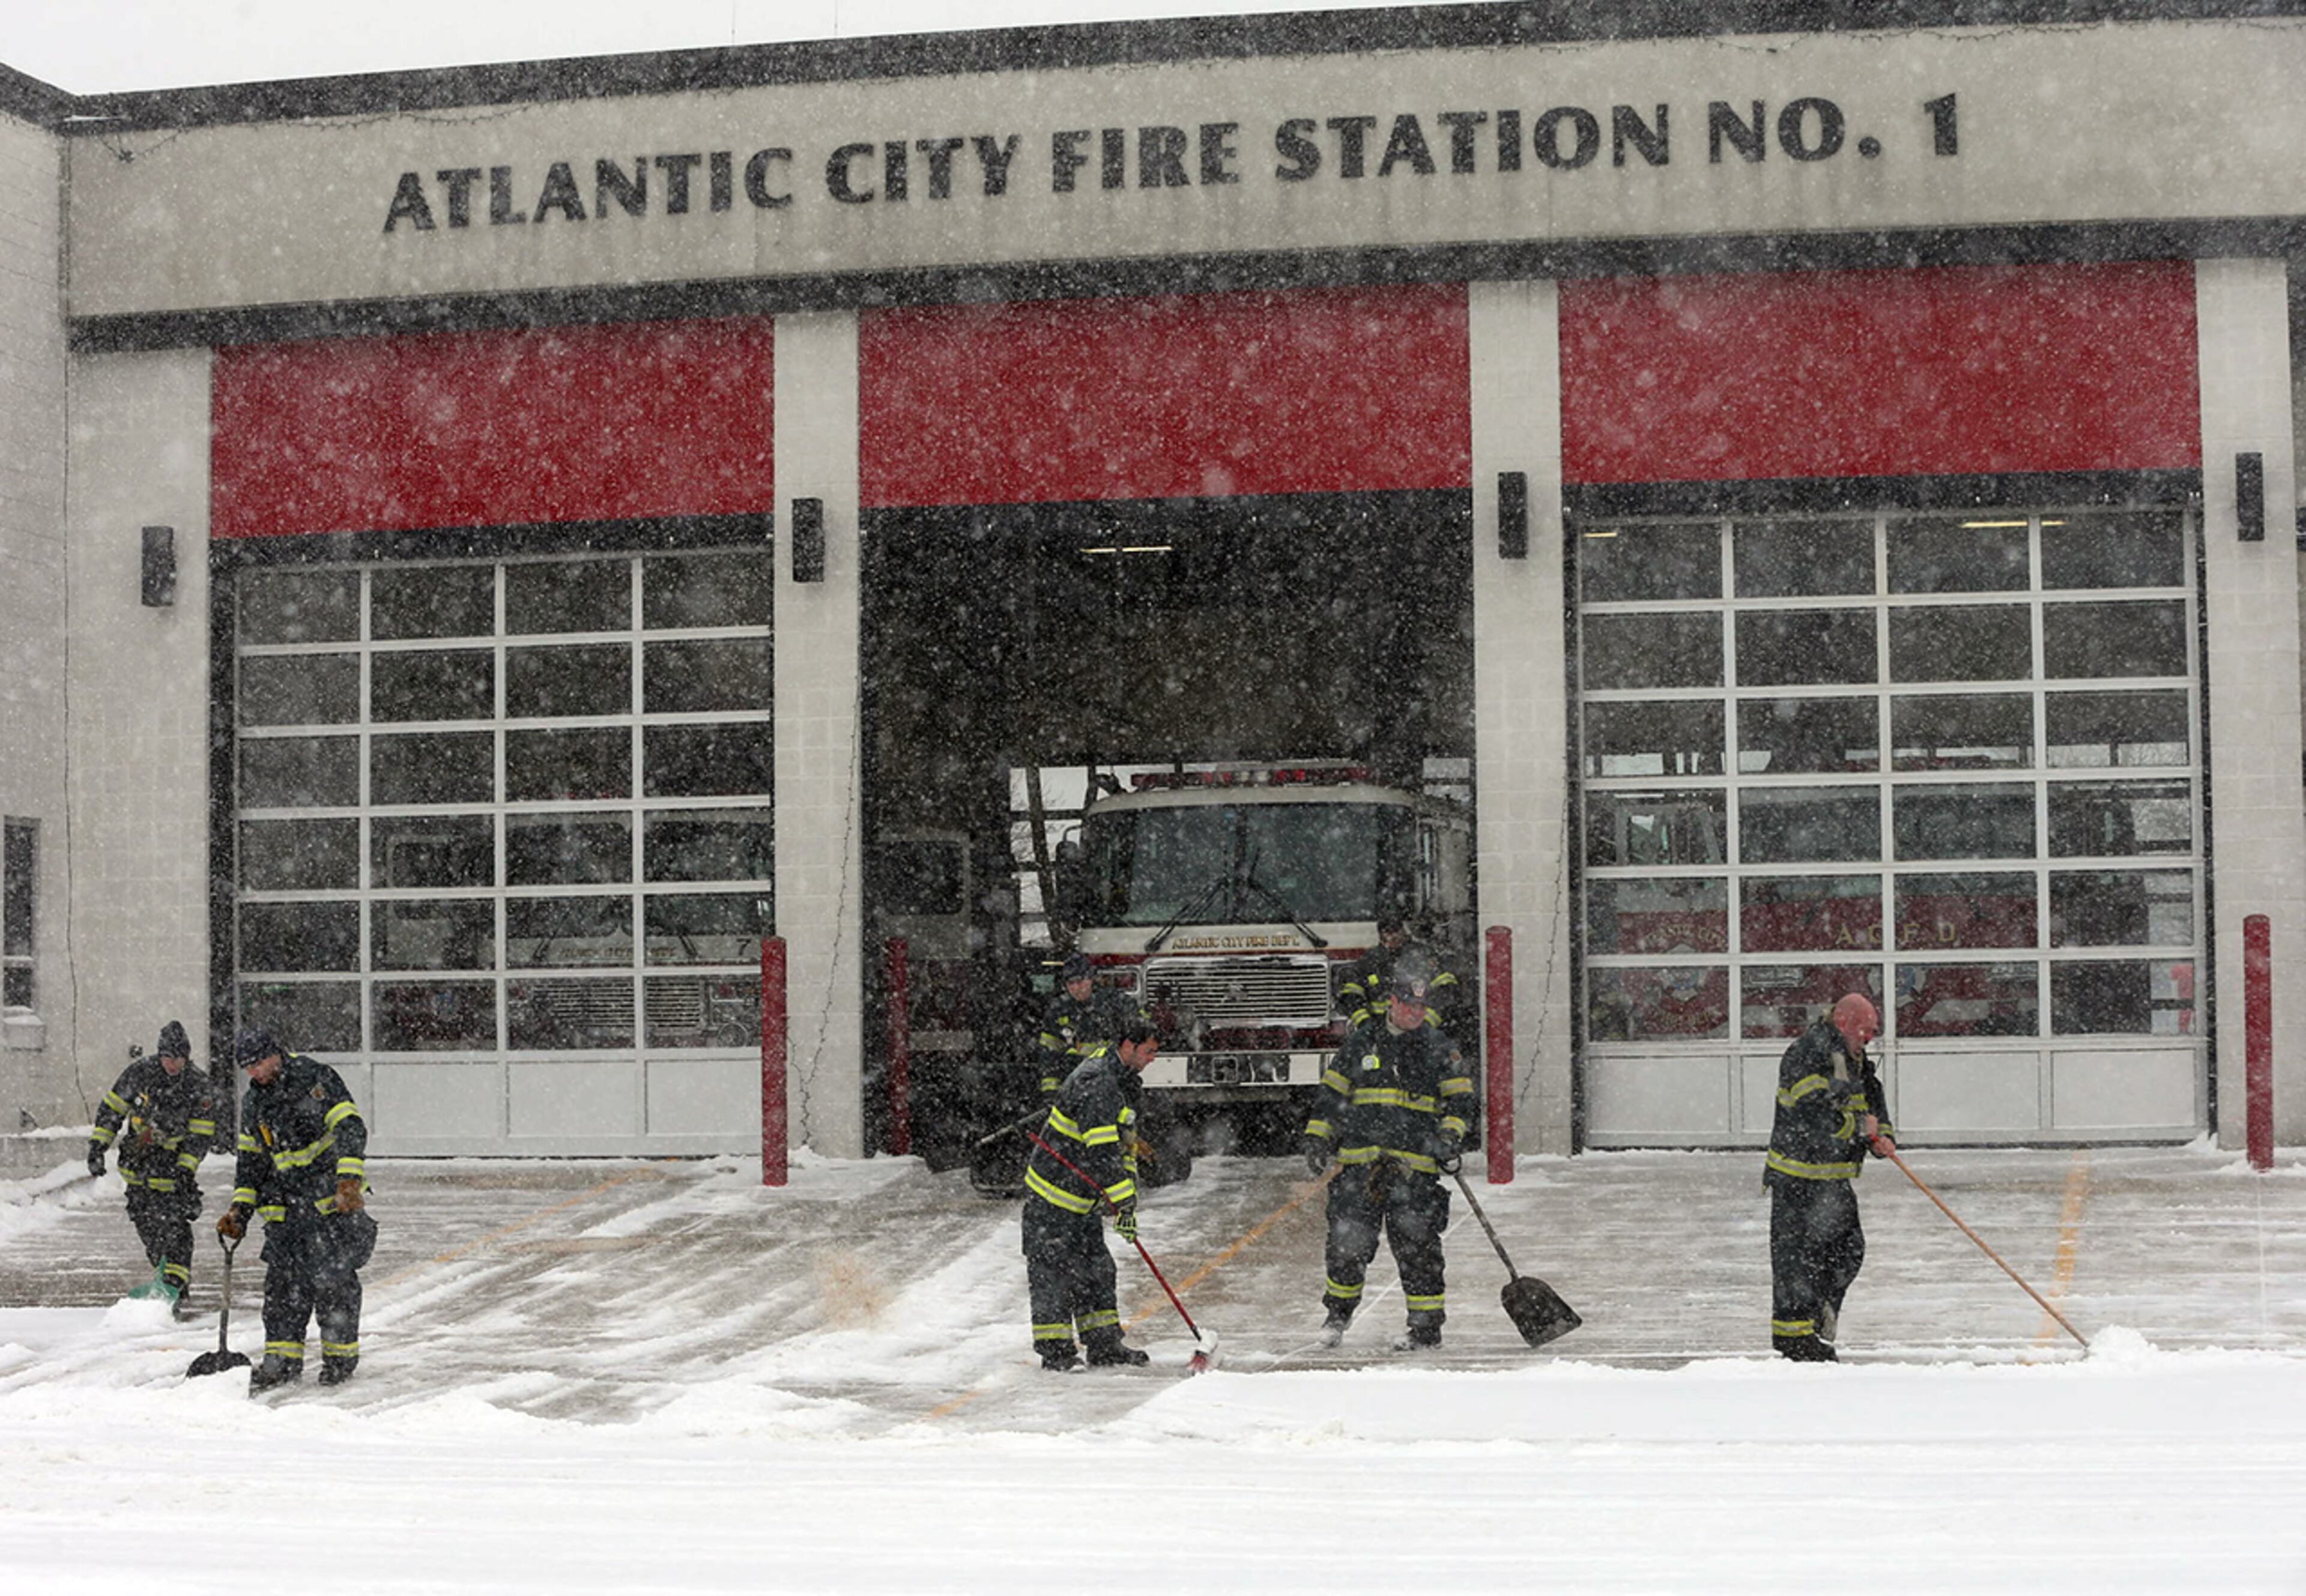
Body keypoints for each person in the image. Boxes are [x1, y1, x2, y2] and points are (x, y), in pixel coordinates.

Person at [1302, 949, 1475, 1351]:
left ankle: (1425, 1329)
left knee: (1419, 1251)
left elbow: (1462, 1102)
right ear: (1392, 1003)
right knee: (1347, 1246)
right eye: (1410, 1005)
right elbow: (1332, 1095)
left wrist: (1449, 1138)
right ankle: (1337, 1318)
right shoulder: (1361, 1043)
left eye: (1422, 1007)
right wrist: (1317, 1137)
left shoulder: (1438, 1048)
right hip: (1360, 1166)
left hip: (1414, 1169)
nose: (1417, 1013)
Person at [216, 1029, 376, 1392]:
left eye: (258, 1063)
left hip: (328, 1209)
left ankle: (339, 1360)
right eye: (247, 1068)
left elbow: (350, 1128)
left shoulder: (314, 1079)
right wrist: (241, 1209)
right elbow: (251, 1162)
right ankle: (282, 1363)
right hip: (283, 1214)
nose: (254, 1073)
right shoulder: (254, 1104)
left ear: (276, 1054)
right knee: (283, 1292)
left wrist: (348, 1181)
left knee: (334, 1286)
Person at [1021, 1015, 1161, 1371]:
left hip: (1081, 1199)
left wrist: (1127, 1201)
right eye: (1148, 1051)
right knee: (1053, 1273)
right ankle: (1057, 1353)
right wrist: (1122, 1204)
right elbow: (1100, 1153)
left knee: (1096, 1269)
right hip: (1052, 1196)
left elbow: (1124, 1148)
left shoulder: (1122, 1081)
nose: (1152, 1059)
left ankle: (1104, 1346)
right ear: (1128, 1046)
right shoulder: (1096, 1083)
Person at [1764, 992, 1896, 1362]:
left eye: (1872, 1033)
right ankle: (1796, 1342)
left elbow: (1871, 1097)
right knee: (1797, 1263)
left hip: (1833, 1179)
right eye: (1865, 1031)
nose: (1869, 1039)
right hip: (1798, 1179)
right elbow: (1812, 1116)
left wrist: (1882, 1135)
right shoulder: (1808, 1052)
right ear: (1843, 1023)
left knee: (1846, 1253)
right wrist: (1857, 1128)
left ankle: (1819, 1323)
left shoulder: (1853, 1056)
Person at [86, 1020, 219, 1316]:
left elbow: (200, 1135)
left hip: (173, 1172)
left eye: (178, 1058)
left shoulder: (198, 1086)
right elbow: (112, 1110)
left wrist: (186, 1170)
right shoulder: (139, 1074)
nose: (172, 1064)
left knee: (176, 1230)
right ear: (159, 1056)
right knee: (148, 1228)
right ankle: (165, 1274)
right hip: (139, 1168)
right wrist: (98, 1147)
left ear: (187, 1057)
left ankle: (176, 1282)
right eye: (167, 1058)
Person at [1034, 951, 1142, 1101]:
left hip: (1111, 1085)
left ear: (1091, 979)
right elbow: (1050, 1054)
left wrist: (1128, 1076)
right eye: (1071, 983)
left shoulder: (1116, 1004)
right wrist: (1051, 1091)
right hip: (1073, 1085)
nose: (1076, 988)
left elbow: (1137, 1040)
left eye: (1080, 981)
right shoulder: (1059, 1011)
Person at [1337, 913, 1461, 1032]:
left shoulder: (1423, 956)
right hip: (1380, 1031)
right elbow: (1351, 996)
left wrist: (1427, 1024)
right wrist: (1365, 1023)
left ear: (1403, 931)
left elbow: (1447, 990)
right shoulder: (1369, 961)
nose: (1393, 937)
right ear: (1380, 935)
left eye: (1396, 931)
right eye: (1387, 932)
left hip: (1419, 1032)